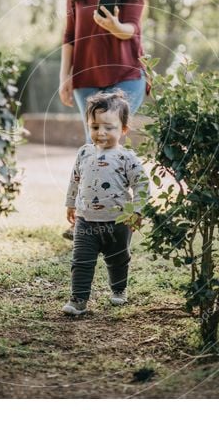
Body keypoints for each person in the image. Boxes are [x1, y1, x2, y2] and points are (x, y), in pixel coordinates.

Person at [59, 0, 148, 239]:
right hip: (85, 78)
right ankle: (89, 219)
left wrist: (114, 26)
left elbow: (133, 29)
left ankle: (114, 219)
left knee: (109, 142)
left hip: (126, 74)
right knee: (93, 147)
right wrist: (64, 76)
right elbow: (69, 35)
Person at [62, 91, 148, 316]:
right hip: (86, 221)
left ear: (123, 129)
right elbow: (75, 179)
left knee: (118, 259)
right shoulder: (84, 152)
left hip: (118, 222)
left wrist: (137, 210)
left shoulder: (127, 158)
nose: (101, 133)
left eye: (108, 128)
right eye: (95, 126)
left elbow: (142, 184)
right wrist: (71, 203)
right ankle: (78, 300)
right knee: (81, 261)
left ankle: (119, 289)